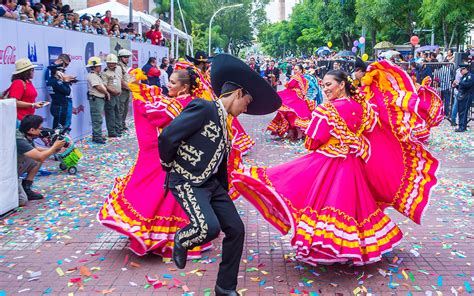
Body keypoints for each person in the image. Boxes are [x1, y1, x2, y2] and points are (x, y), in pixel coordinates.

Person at [232, 62, 439, 266]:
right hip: (355, 166)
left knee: (317, 199)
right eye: (323, 85)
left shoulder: (328, 110)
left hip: (328, 164)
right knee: (354, 208)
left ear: (341, 85)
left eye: (329, 84)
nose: (326, 88)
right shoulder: (363, 107)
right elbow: (370, 131)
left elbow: (312, 140)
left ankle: (330, 250)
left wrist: (326, 141)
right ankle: (350, 249)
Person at [158, 54, 281, 296]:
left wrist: (221, 187)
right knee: (209, 228)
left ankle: (225, 287)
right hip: (187, 181)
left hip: (212, 185)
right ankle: (182, 239)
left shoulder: (228, 123)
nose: (246, 108)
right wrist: (170, 166)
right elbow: (167, 137)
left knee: (236, 229)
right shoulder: (203, 107)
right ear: (237, 93)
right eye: (246, 102)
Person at [98, 63, 216, 257]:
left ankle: (159, 239)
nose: (168, 85)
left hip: (170, 160)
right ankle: (182, 238)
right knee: (181, 202)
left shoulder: (175, 105)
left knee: (159, 197)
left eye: (172, 82)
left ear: (184, 87)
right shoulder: (197, 103)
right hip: (189, 162)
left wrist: (138, 89)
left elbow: (151, 112)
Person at [17, 115, 65, 204]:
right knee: (22, 200)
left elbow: (35, 149)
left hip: (17, 166)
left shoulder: (24, 134)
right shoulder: (20, 140)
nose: (41, 130)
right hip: (9, 173)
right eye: (40, 128)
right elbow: (40, 156)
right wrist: (54, 147)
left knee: (37, 160)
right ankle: (16, 186)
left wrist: (55, 150)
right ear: (31, 130)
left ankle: (26, 187)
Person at [267, 64, 312, 140]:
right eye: (294, 69)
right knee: (292, 114)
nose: (295, 71)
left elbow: (288, 85)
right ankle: (293, 133)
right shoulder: (306, 80)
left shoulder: (295, 77)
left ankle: (295, 133)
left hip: (293, 98)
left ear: (301, 70)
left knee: (289, 113)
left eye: (296, 69)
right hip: (301, 99)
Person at [5, 58, 47, 125]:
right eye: (32, 70)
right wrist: (32, 105)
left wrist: (33, 104)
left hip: (27, 119)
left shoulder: (28, 82)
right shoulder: (18, 83)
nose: (34, 72)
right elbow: (14, 102)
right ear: (27, 72)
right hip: (19, 119)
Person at [86, 56, 109, 144]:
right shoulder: (92, 76)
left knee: (98, 118)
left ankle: (97, 135)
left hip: (99, 98)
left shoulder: (96, 75)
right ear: (94, 67)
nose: (100, 67)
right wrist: (106, 93)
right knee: (97, 118)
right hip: (96, 98)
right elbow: (98, 87)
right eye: (99, 66)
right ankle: (97, 137)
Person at [102, 54, 122, 137]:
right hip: (110, 96)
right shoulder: (105, 73)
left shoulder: (118, 69)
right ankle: (111, 131)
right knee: (111, 114)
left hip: (118, 95)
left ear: (116, 63)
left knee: (117, 112)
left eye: (113, 63)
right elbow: (104, 85)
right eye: (109, 63)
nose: (111, 64)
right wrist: (113, 91)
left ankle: (117, 128)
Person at [454, 64, 473, 132]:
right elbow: (460, 87)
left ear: (465, 69)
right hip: (461, 95)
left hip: (467, 95)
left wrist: (459, 83)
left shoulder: (470, 76)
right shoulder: (463, 77)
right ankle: (461, 125)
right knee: (460, 111)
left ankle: (462, 127)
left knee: (464, 112)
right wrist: (456, 85)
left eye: (462, 70)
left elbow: (469, 84)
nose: (461, 71)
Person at [117, 49, 132, 133]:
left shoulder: (125, 66)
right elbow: (120, 80)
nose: (127, 59)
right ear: (120, 57)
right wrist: (129, 88)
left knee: (125, 109)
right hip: (122, 91)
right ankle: (119, 126)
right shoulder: (119, 67)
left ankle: (122, 124)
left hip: (127, 91)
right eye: (125, 57)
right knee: (120, 110)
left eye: (127, 57)